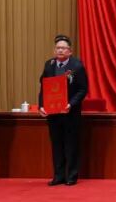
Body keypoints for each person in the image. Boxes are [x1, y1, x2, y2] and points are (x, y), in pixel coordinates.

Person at [38, 35, 89, 186]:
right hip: (53, 113)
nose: (60, 50)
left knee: (71, 144)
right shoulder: (49, 65)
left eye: (63, 48)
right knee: (56, 144)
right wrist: (41, 105)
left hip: (70, 113)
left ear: (70, 51)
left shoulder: (77, 66)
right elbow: (43, 87)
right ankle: (58, 176)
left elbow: (83, 89)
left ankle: (71, 176)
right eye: (57, 48)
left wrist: (71, 104)